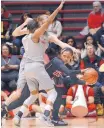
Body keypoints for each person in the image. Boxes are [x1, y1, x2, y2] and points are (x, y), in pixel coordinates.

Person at [13, 1, 66, 127]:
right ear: (37, 25)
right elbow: (47, 23)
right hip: (37, 67)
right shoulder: (36, 34)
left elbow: (15, 32)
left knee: (33, 95)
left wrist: (24, 24)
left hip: (28, 68)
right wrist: (58, 9)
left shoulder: (27, 36)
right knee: (53, 93)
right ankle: (46, 115)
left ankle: (18, 115)